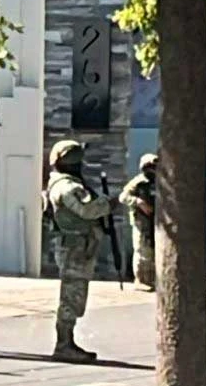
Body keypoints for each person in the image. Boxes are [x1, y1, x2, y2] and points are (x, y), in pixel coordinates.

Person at [44, 139, 118, 362]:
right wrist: (109, 204)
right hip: (74, 247)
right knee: (71, 295)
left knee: (75, 295)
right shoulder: (67, 187)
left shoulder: (65, 183)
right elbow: (86, 210)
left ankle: (67, 342)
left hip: (79, 246)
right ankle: (64, 345)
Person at [119, 153, 157, 292]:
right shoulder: (138, 182)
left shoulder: (160, 181)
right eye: (149, 167)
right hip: (141, 221)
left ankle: (154, 279)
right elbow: (123, 197)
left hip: (157, 221)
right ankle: (141, 280)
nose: (152, 170)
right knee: (142, 251)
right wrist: (138, 202)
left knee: (155, 251)